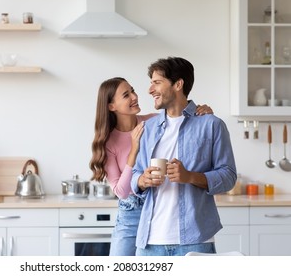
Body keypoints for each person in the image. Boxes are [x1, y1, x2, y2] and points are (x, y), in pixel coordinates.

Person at [89, 77, 213, 256]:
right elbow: (122, 192)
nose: (134, 96)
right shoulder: (108, 142)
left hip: (157, 206)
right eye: (126, 95)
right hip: (130, 214)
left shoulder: (154, 121)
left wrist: (202, 112)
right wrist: (134, 149)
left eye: (132, 90)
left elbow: (185, 122)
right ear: (111, 106)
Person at [131, 57, 237, 256]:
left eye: (157, 82)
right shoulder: (149, 128)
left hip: (195, 241)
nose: (150, 90)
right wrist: (142, 180)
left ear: (178, 84)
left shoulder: (211, 124)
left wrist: (190, 177)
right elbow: (136, 173)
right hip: (149, 243)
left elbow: (229, 176)